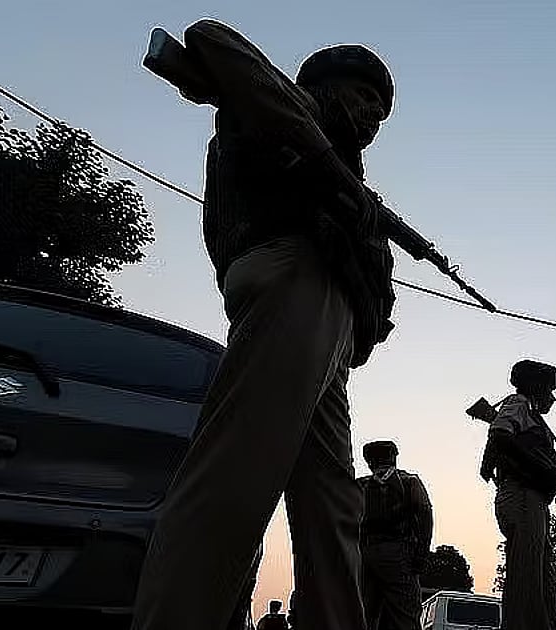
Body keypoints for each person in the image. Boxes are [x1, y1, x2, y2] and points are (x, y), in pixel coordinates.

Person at [131, 18, 398, 630]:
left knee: (330, 503)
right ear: (323, 85)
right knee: (236, 470)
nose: (370, 122)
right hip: (292, 288)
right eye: (364, 100)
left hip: (326, 324)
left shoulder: (332, 159)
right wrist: (338, 179)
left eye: (380, 118)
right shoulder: (275, 109)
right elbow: (209, 35)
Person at [479, 360, 556, 630]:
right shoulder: (518, 403)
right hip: (523, 496)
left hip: (530, 498)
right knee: (527, 577)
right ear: (535, 387)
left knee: (540, 578)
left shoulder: (528, 413)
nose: (552, 397)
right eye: (548, 389)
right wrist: (549, 472)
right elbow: (500, 435)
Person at [358, 440, 434, 630]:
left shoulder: (361, 485)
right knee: (406, 614)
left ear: (368, 461)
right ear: (393, 457)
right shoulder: (409, 481)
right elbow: (425, 515)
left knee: (364, 614)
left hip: (364, 553)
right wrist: (422, 554)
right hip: (399, 552)